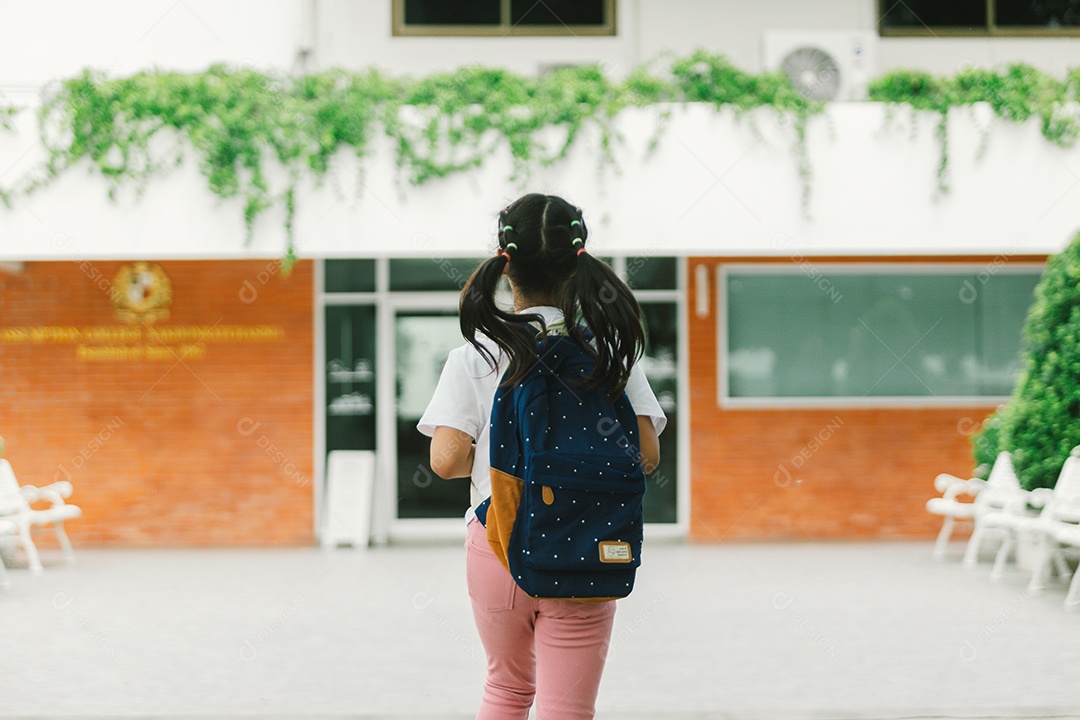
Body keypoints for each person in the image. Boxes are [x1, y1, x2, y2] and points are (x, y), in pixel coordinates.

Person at [417, 193, 666, 720]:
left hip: (497, 539)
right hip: (586, 542)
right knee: (566, 709)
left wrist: (507, 461)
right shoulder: (610, 354)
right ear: (578, 264)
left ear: (505, 264)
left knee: (506, 691)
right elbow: (646, 453)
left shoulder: (475, 354)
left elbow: (443, 460)